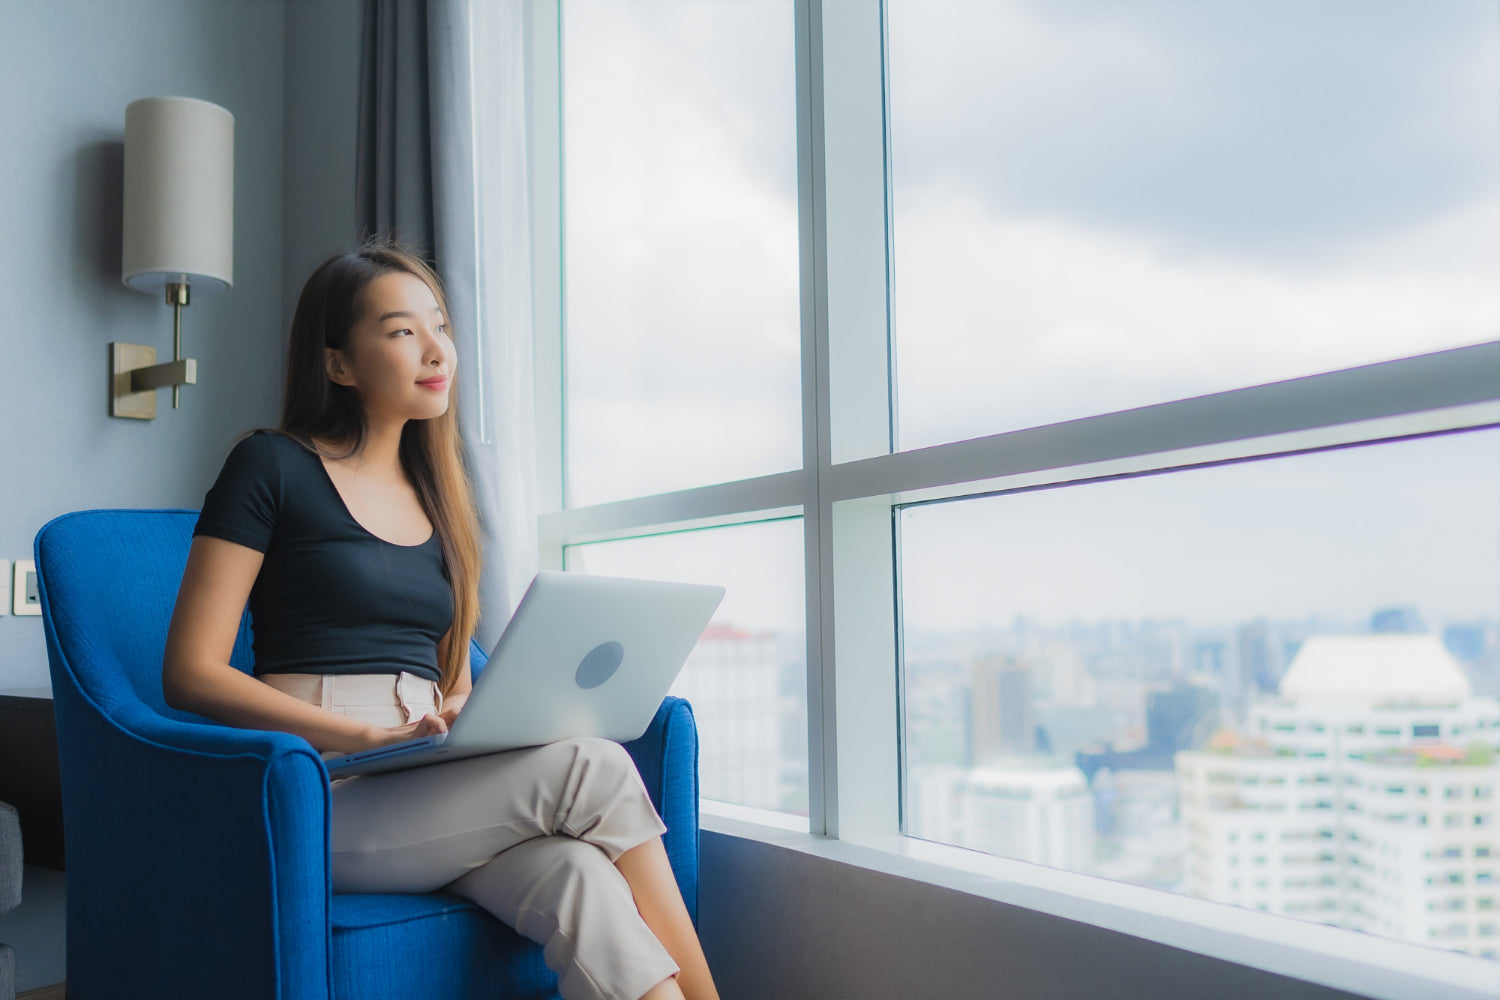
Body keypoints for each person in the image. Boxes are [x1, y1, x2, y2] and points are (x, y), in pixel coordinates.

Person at [162, 238, 720, 1000]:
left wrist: (469, 711)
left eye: (441, 326)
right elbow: (189, 673)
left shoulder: (442, 502)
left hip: (424, 771)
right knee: (596, 766)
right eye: (401, 331)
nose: (436, 350)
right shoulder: (270, 465)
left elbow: (451, 676)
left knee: (580, 875)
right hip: (319, 786)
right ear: (338, 364)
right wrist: (357, 735)